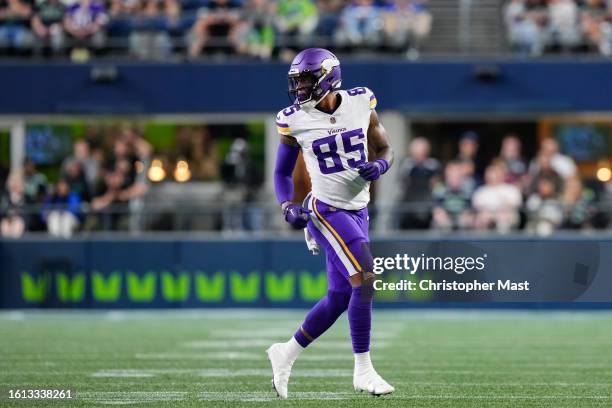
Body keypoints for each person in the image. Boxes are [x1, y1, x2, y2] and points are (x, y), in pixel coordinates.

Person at [267, 48, 395, 399]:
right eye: (297, 81)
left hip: (359, 209)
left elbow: (385, 148)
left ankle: (285, 352)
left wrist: (381, 167)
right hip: (326, 210)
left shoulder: (360, 101)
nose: (300, 88)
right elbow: (280, 172)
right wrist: (286, 205)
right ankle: (363, 370)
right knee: (366, 279)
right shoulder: (294, 118)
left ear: (328, 76)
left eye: (306, 80)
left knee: (340, 296)